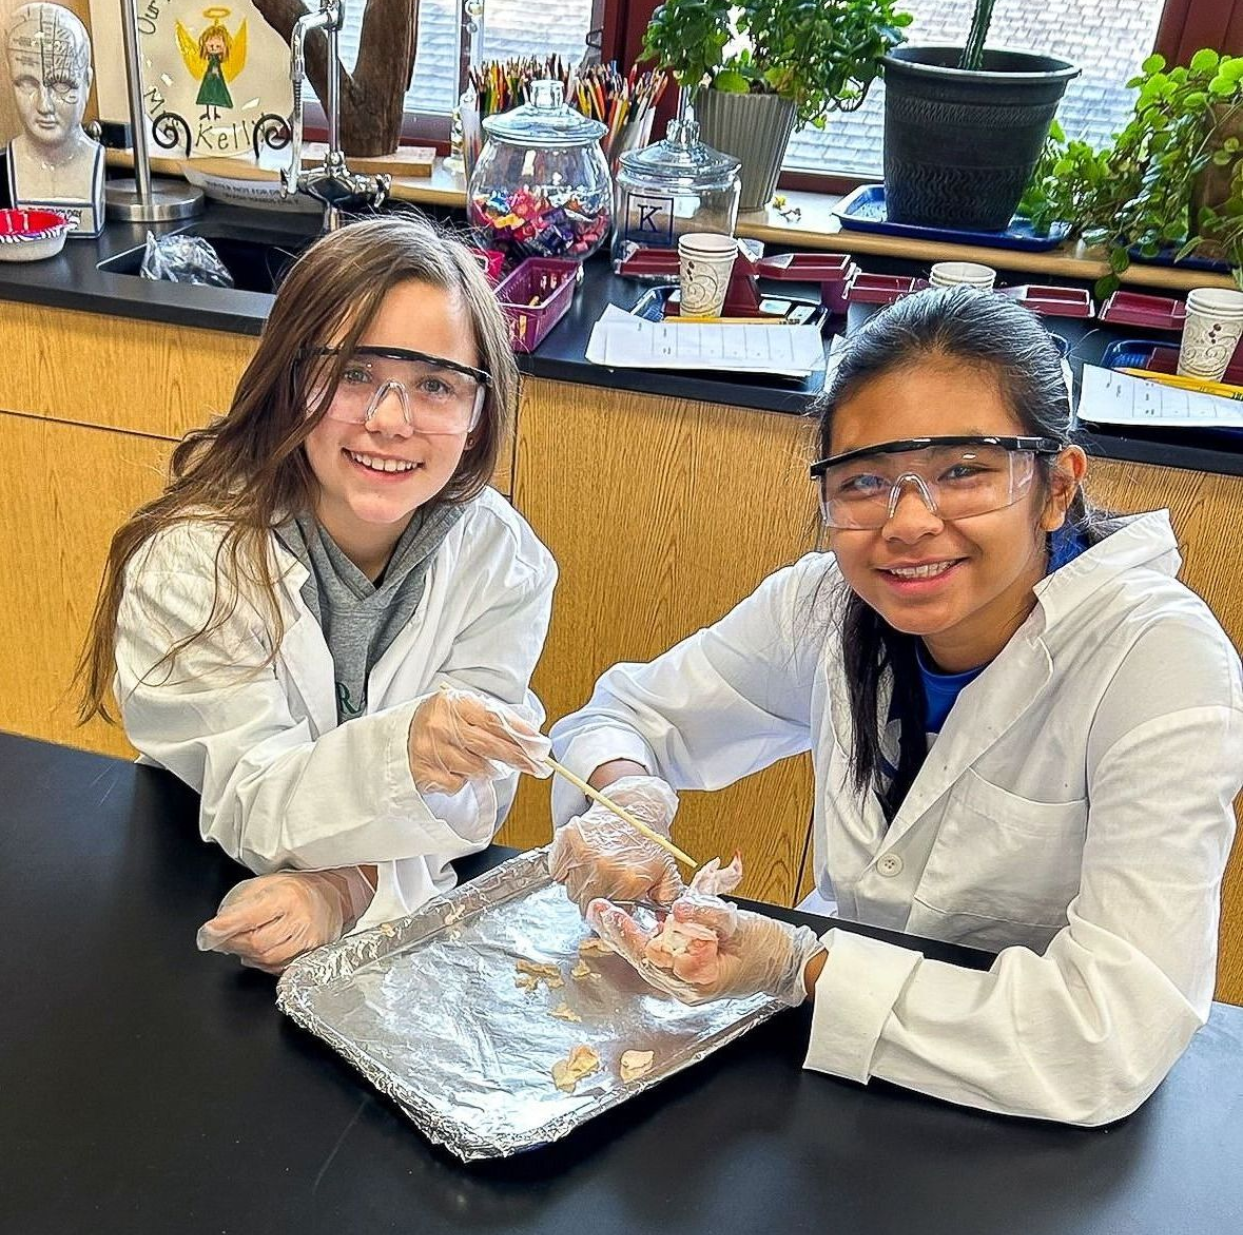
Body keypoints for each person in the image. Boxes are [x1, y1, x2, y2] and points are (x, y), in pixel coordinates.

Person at [547, 286, 1243, 1126]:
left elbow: (1106, 1037)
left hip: (1034, 1129)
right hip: (829, 1079)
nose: (907, 522)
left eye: (963, 470)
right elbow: (620, 715)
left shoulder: (1157, 663)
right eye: (865, 481)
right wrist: (625, 792)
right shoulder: (819, 603)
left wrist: (796, 967)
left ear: (1056, 485)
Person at [78, 213, 556, 972]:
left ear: (478, 412)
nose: (389, 421)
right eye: (354, 373)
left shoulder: (503, 563)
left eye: (434, 384)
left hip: (397, 933)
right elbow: (248, 802)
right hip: (204, 896)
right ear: (289, 377)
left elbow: (472, 810)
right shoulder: (193, 560)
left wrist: (346, 887)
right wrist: (404, 758)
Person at [5, 3, 104, 235]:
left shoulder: (93, 160)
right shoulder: (6, 167)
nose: (44, 106)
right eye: (27, 84)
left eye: (61, 86)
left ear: (86, 84)